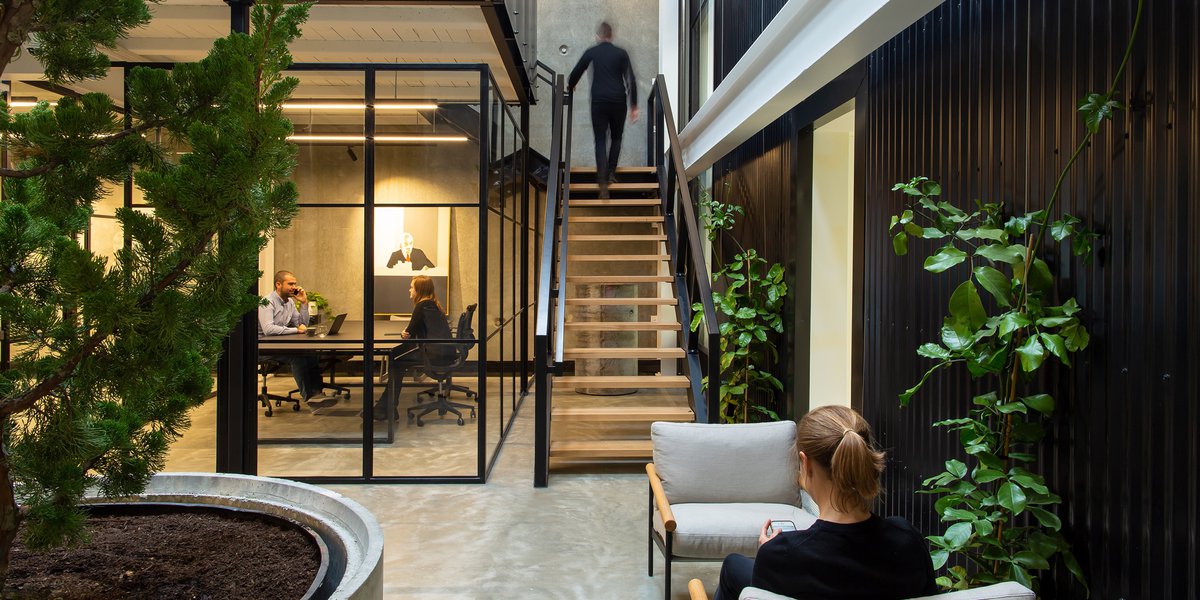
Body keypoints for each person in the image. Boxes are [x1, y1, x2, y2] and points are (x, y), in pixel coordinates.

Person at [714, 406, 938, 600]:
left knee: (733, 565)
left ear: (805, 463)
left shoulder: (783, 555)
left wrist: (768, 553)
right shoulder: (906, 540)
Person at [568, 21, 639, 199]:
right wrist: (634, 106)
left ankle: (602, 184)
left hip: (599, 101)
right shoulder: (621, 53)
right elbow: (631, 79)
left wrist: (571, 86)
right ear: (611, 35)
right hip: (618, 101)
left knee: (600, 140)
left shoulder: (592, 52)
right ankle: (610, 174)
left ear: (598, 36)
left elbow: (576, 72)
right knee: (616, 138)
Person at [372, 275, 452, 420]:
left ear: (418, 290)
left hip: (433, 353)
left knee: (396, 364)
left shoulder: (422, 306)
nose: (409, 290)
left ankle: (387, 408)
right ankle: (387, 406)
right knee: (397, 358)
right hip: (442, 351)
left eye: (411, 287)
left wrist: (404, 333)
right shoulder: (432, 304)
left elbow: (409, 333)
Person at [258, 270, 337, 410]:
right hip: (264, 347)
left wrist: (304, 303)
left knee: (310, 354)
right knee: (297, 358)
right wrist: (296, 330)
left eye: (295, 283)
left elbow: (302, 324)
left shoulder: (289, 303)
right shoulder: (267, 302)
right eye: (290, 284)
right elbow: (268, 330)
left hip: (280, 344)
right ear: (278, 284)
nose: (294, 287)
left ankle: (318, 394)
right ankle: (310, 398)